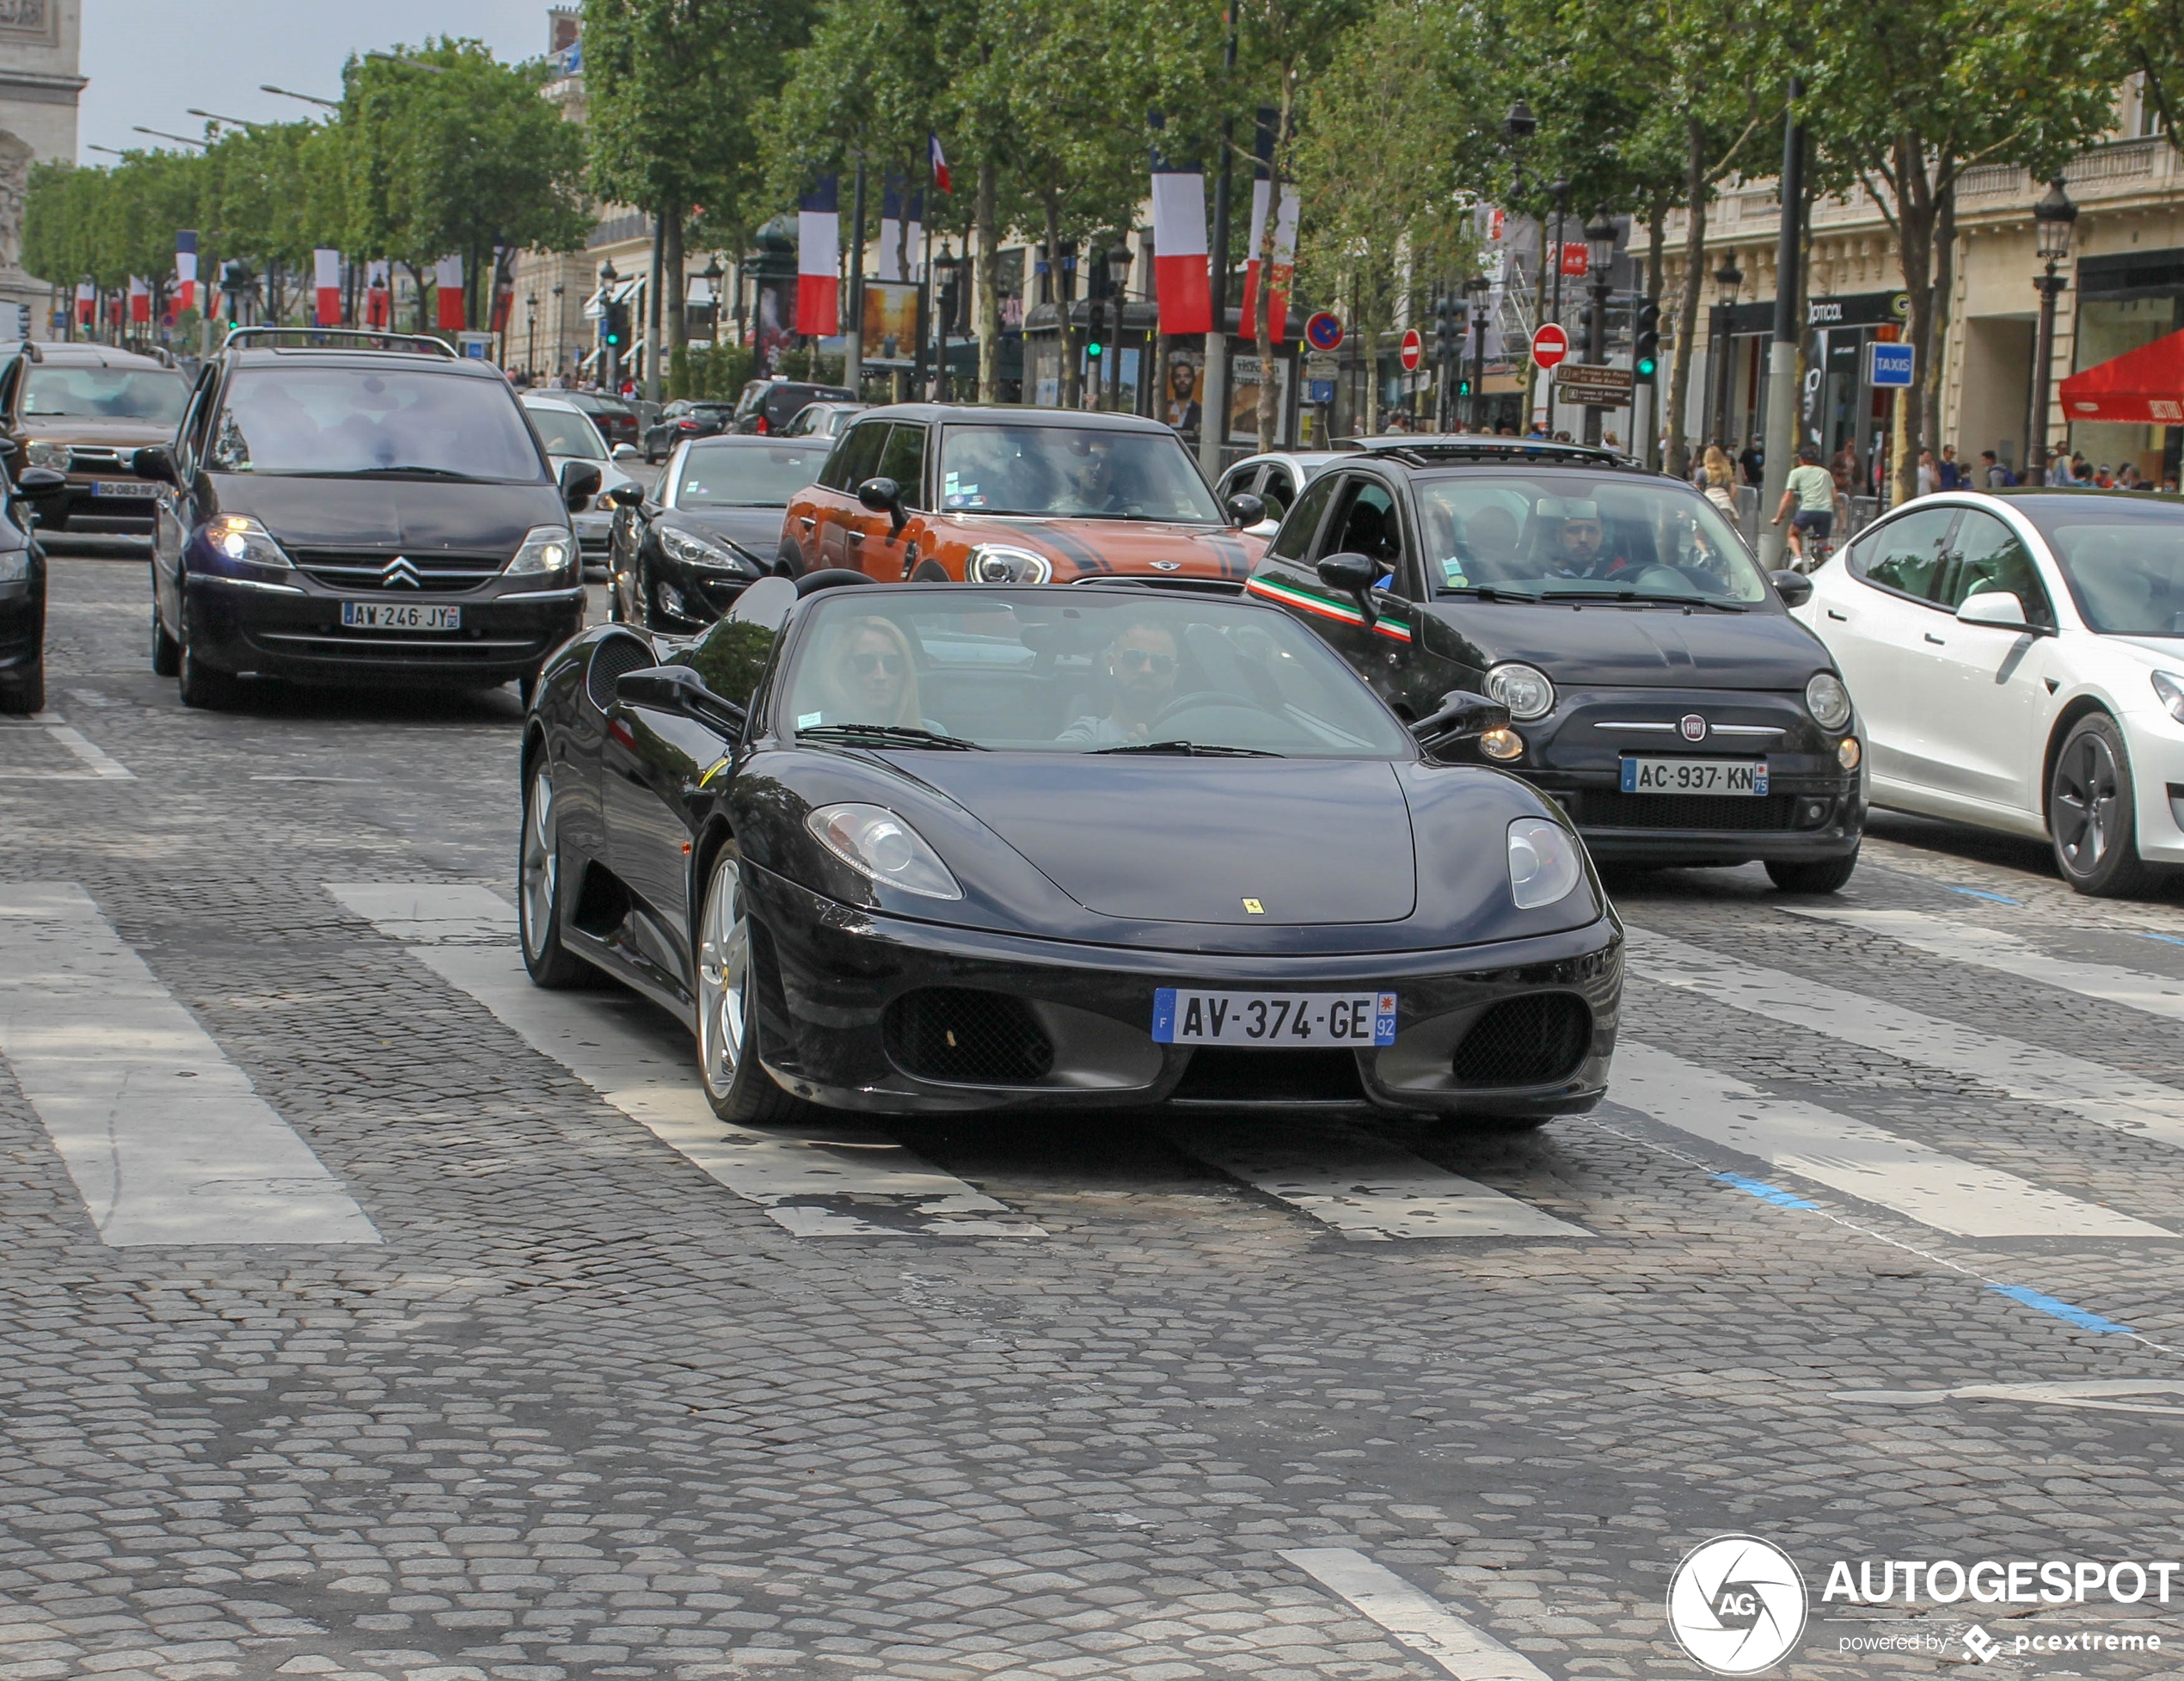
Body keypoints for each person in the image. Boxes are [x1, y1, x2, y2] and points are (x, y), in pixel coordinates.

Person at [1057, 617, 1181, 745]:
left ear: (1174, 674)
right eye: (1133, 658)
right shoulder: (1086, 737)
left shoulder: (1193, 739)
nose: (1146, 670)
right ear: (1111, 664)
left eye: (1161, 662)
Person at [803, 616, 931, 729]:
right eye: (865, 663)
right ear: (842, 670)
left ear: (906, 673)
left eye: (892, 664)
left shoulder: (933, 736)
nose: (880, 676)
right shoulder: (808, 732)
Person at [1773, 445, 1836, 567]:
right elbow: (1835, 496)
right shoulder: (1825, 473)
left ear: (1800, 460)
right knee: (1822, 540)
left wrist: (1778, 517)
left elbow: (1787, 497)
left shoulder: (1796, 473)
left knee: (1792, 533)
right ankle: (1822, 559)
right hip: (1826, 511)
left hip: (1808, 510)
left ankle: (1798, 558)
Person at [1698, 445, 1739, 518]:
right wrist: (1729, 500)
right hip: (1725, 503)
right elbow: (1734, 490)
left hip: (1709, 501)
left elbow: (1696, 488)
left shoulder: (1702, 471)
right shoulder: (1727, 470)